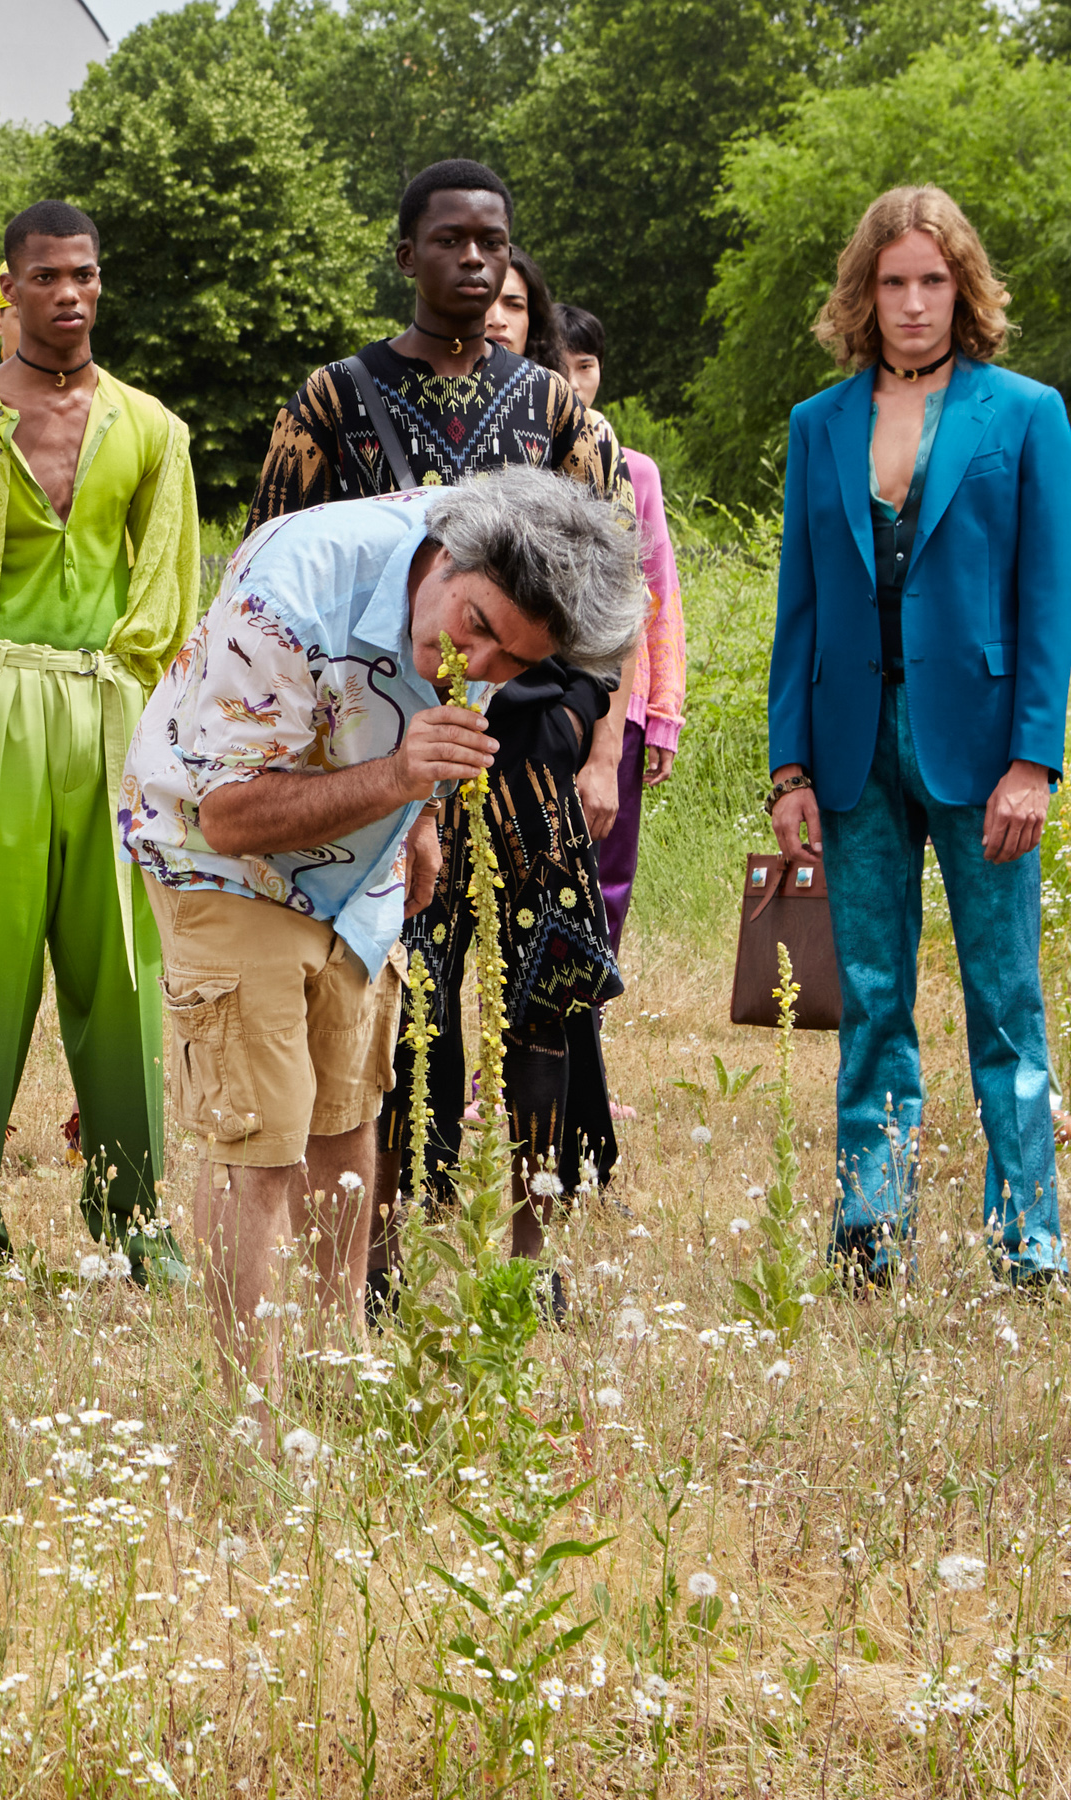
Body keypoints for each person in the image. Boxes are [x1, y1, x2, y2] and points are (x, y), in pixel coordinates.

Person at [122, 468, 640, 1416]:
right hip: (224, 862)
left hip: (363, 868)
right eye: (473, 629)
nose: (472, 665)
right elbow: (230, 814)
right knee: (263, 1143)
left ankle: (339, 1373)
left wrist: (421, 821)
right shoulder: (290, 593)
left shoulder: (489, 618)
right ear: (449, 554)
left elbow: (434, 727)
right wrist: (400, 780)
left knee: (348, 1124)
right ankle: (257, 1417)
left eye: (509, 665)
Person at [251, 161, 627, 1300]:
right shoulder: (332, 400)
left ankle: (528, 1240)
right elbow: (276, 558)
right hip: (375, 752)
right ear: (405, 252)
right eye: (453, 239)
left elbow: (609, 588)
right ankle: (380, 1244)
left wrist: (572, 717)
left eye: (494, 243)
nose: (477, 260)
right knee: (394, 992)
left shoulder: (558, 409)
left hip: (521, 751)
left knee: (545, 983)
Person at [0, 200, 202, 1294]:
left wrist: (164, 750)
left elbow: (168, 593)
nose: (68, 294)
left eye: (84, 275)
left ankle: (135, 1219)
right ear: (8, 288)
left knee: (123, 973)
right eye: (46, 276)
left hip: (115, 714)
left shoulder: (155, 429)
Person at [766, 185, 1071, 1288]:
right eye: (892, 282)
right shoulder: (820, 423)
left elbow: (1049, 600)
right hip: (852, 749)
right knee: (872, 997)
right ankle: (871, 1232)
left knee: (1005, 1001)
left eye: (932, 281)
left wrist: (1035, 759)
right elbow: (797, 600)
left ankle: (1029, 1240)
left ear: (965, 288)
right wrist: (787, 763)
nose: (912, 303)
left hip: (985, 746)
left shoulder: (1026, 413)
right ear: (865, 293)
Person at [551, 302, 685, 954]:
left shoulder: (636, 471)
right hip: (537, 697)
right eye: (560, 365)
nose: (575, 381)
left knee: (608, 871)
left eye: (586, 365)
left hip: (619, 702)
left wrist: (662, 712)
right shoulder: (520, 462)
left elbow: (657, 595)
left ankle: (587, 1019)